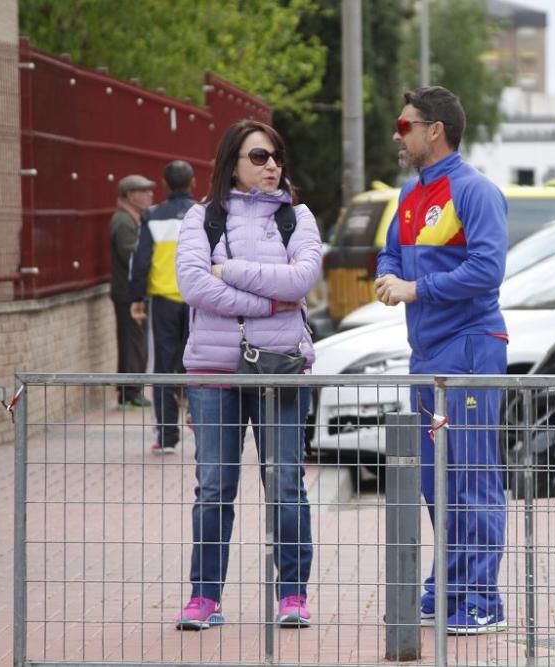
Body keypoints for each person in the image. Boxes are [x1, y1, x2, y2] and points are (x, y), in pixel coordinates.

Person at [173, 119, 321, 631]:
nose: (272, 166)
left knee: (285, 483)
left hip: (282, 367)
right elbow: (193, 284)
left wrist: (229, 272)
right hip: (214, 368)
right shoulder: (202, 217)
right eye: (259, 157)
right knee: (214, 486)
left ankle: (293, 595)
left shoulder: (297, 217)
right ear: (232, 163)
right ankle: (204, 598)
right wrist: (274, 302)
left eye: (277, 156)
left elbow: (303, 278)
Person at [374, 86, 509, 635]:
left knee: (471, 477)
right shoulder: (411, 196)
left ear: (436, 130)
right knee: (436, 481)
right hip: (428, 355)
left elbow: (487, 271)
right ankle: (449, 585)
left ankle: (481, 599)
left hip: (470, 348)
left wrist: (414, 289)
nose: (396, 134)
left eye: (405, 126)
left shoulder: (473, 191)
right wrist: (390, 276)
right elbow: (390, 252)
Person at [129, 161, 196, 453]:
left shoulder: (152, 216)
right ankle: (203, 423)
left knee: (163, 367)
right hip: (198, 300)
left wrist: (136, 298)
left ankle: (167, 436)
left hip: (164, 303)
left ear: (165, 185)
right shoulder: (203, 213)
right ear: (193, 183)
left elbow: (141, 261)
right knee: (200, 365)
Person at [110, 174, 154, 408]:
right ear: (130, 195)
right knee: (133, 342)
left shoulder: (133, 219)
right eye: (144, 191)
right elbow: (132, 258)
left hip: (133, 293)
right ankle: (130, 391)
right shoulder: (124, 222)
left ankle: (130, 389)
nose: (150, 195)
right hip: (130, 295)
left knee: (135, 341)